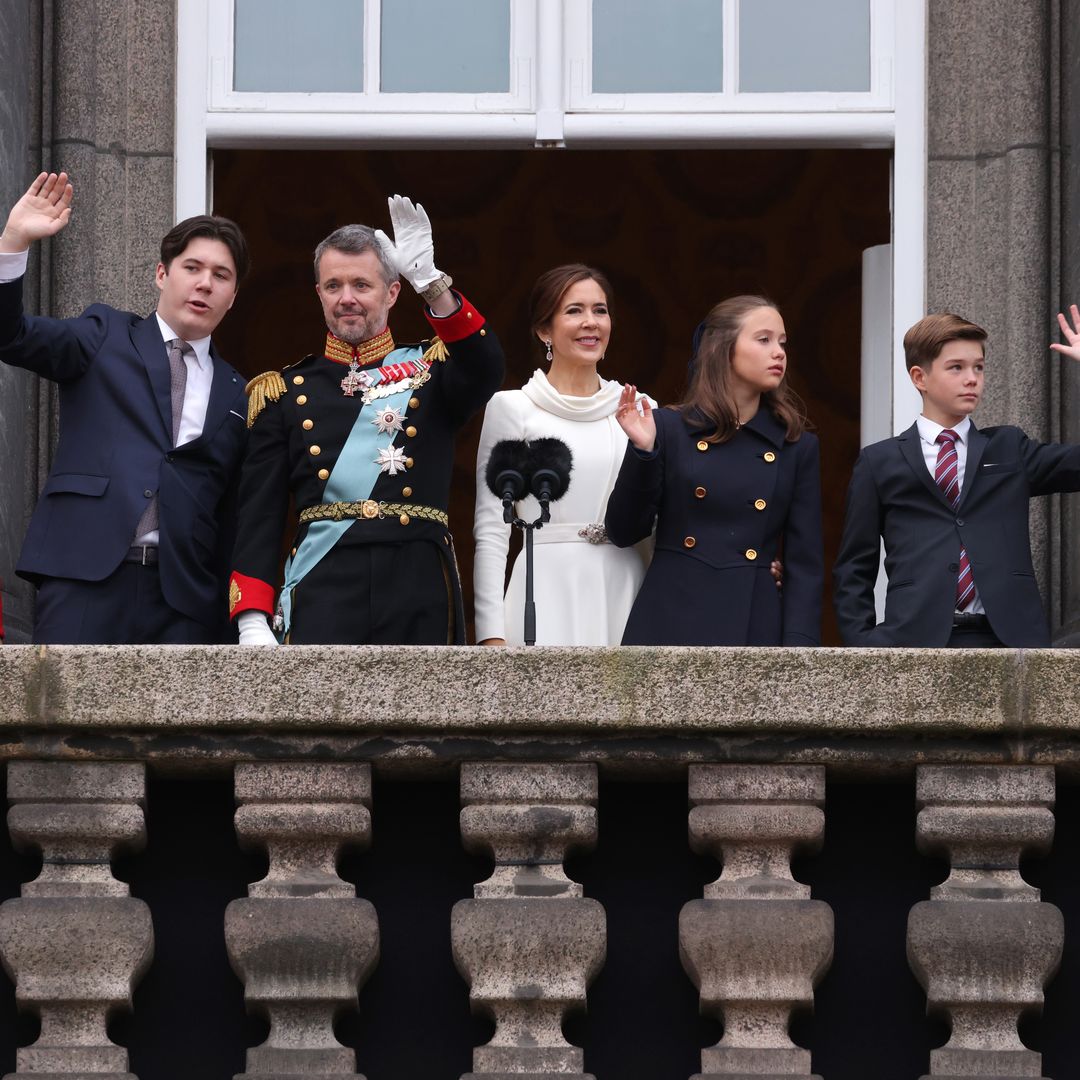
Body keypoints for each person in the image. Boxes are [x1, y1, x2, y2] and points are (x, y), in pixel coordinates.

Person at [230, 196, 504, 645]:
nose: (347, 299)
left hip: (418, 581)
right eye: (333, 285)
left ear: (392, 291)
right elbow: (258, 513)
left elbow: (487, 367)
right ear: (318, 293)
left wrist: (432, 285)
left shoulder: (433, 371)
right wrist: (252, 615)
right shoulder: (284, 390)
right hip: (326, 584)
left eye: (362, 284)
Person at [0, 171, 250, 644]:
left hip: (185, 600)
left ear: (233, 297)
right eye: (192, 268)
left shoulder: (239, 392)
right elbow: (10, 336)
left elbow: (231, 513)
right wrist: (13, 242)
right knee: (64, 718)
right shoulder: (104, 335)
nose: (205, 284)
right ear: (162, 274)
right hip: (84, 578)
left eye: (221, 276)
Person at [833, 310, 1080, 647]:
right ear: (920, 377)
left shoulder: (1009, 447)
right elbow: (853, 567)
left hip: (1007, 640)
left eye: (978, 367)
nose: (972, 378)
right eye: (956, 368)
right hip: (913, 641)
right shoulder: (879, 461)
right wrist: (864, 648)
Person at [605, 295, 823, 646]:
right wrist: (643, 451)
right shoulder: (669, 427)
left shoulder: (796, 445)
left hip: (754, 620)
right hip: (670, 617)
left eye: (782, 342)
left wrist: (800, 652)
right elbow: (623, 531)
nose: (779, 352)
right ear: (723, 348)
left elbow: (806, 566)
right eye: (763, 339)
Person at [473, 264, 653, 646]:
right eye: (574, 311)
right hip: (543, 589)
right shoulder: (513, 408)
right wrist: (491, 635)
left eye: (600, 310)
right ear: (544, 330)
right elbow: (492, 528)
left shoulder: (641, 409)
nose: (591, 322)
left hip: (626, 587)